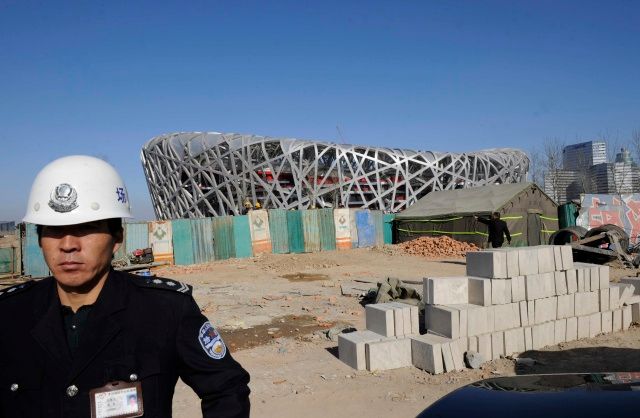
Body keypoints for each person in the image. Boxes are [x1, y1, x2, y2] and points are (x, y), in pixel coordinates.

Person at [0, 155, 250, 418]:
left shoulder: (164, 310)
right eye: (54, 230)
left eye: (86, 228)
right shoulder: (10, 314)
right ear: (40, 239)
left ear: (117, 237)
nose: (68, 244)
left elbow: (226, 389)